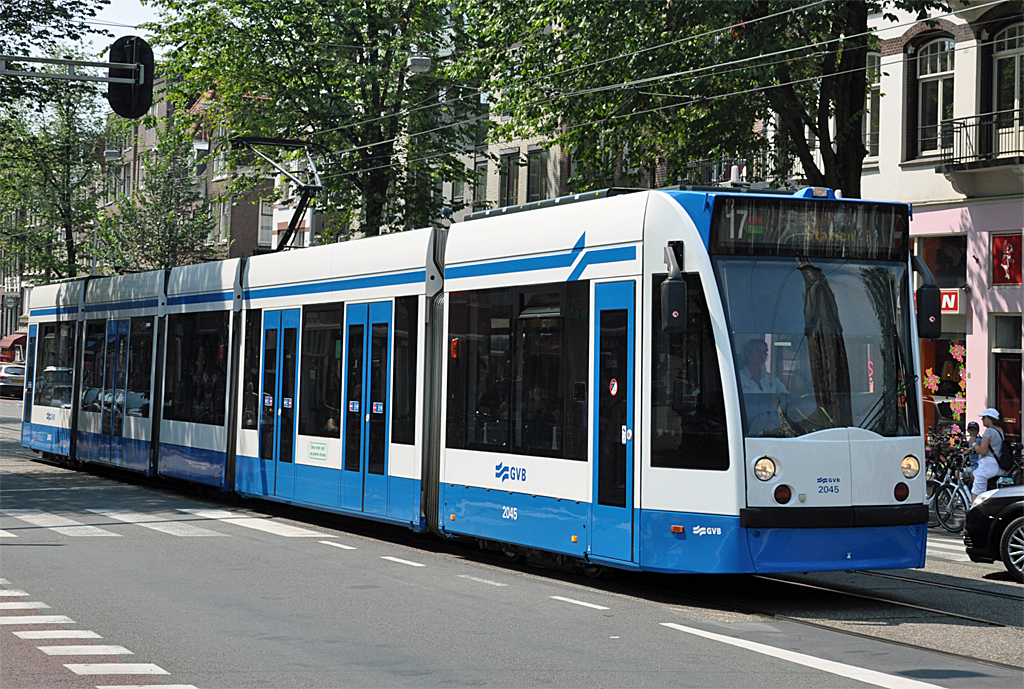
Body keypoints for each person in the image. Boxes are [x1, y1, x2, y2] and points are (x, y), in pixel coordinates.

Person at [739, 338, 788, 436]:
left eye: (765, 352)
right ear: (748, 353)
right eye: (758, 351)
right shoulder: (739, 378)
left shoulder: (772, 379)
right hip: (748, 432)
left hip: (774, 432)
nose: (762, 355)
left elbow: (786, 399)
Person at [969, 408, 1006, 500]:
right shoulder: (1000, 430)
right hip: (997, 465)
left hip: (987, 465)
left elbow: (982, 451)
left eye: (984, 417)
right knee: (973, 475)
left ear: (990, 419)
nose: (982, 419)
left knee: (976, 493)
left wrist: (974, 443)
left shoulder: (989, 431)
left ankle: (974, 507)